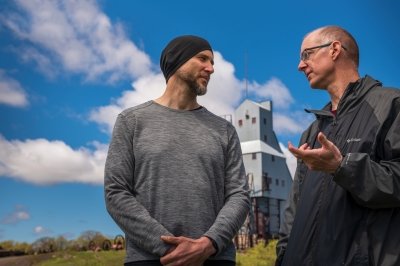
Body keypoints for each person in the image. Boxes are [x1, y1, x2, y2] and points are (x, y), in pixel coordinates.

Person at [104, 35, 250, 266]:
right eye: (203, 59)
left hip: (213, 258)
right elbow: (116, 193)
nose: (211, 69)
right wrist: (170, 247)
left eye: (212, 63)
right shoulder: (131, 121)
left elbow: (239, 195)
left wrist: (208, 244)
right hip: (150, 259)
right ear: (175, 60)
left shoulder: (224, 130)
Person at [276, 25, 400, 265]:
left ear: (334, 49)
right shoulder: (312, 132)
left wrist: (343, 167)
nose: (300, 66)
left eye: (306, 55)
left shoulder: (391, 105)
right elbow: (294, 207)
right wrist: (283, 256)